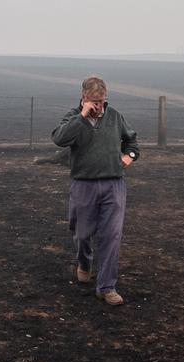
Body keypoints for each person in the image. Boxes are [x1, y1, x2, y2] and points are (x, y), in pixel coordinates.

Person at [51, 75, 140, 306]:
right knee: (81, 233)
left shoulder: (115, 117)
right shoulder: (73, 118)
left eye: (101, 101)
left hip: (113, 185)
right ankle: (84, 263)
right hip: (83, 184)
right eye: (93, 101)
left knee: (111, 235)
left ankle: (107, 287)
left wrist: (128, 157)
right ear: (84, 98)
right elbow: (59, 139)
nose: (98, 106)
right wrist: (82, 117)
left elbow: (132, 143)